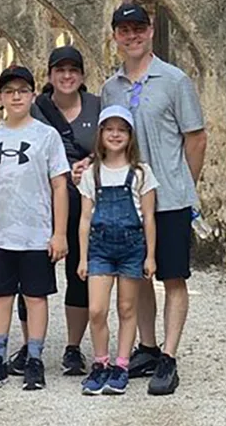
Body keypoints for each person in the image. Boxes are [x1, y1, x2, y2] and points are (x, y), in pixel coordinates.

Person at [81, 3, 207, 396]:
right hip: (126, 198)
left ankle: (169, 356)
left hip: (167, 196)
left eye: (138, 28)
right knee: (138, 277)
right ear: (115, 36)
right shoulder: (112, 87)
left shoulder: (174, 80)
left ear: (150, 31)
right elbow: (111, 138)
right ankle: (148, 348)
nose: (131, 36)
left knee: (172, 276)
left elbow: (196, 137)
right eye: (124, 30)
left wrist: (184, 184)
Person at [0, 46, 100, 377]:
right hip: (5, 231)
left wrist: (57, 231)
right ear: (0, 97)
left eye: (22, 91)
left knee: (53, 286)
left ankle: (51, 353)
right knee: (5, 293)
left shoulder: (66, 125)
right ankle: (8, 353)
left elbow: (64, 180)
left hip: (54, 220)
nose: (16, 97)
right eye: (9, 92)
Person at [76, 105, 158, 395]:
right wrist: (83, 257)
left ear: (130, 135)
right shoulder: (92, 173)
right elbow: (85, 219)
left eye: (121, 129)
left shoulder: (140, 173)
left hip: (132, 248)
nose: (115, 134)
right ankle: (101, 363)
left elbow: (149, 217)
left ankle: (121, 366)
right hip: (99, 249)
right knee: (97, 309)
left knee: (127, 307)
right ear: (100, 134)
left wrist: (150, 256)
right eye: (109, 129)